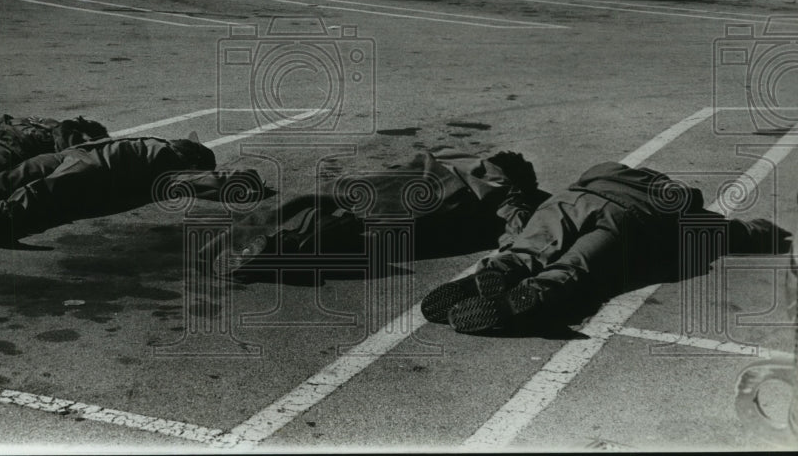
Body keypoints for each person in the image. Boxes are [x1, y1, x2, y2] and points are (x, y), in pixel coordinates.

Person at [421, 161, 792, 334]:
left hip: (575, 199)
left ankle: (505, 270)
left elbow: (528, 213)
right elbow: (737, 231)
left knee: (528, 248)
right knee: (576, 267)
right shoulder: (681, 207)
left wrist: (511, 238)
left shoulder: (605, 168)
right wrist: (766, 232)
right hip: (630, 221)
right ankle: (534, 294)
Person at [198, 149, 543, 275]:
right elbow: (516, 227)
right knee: (359, 241)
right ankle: (283, 249)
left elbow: (406, 160)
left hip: (385, 181)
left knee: (308, 200)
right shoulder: (505, 192)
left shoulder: (453, 154)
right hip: (416, 207)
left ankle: (225, 240)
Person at [0, 133, 219, 245]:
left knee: (39, 186)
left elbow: (197, 182)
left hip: (93, 165)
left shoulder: (168, 161)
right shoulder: (161, 150)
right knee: (24, 178)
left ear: (190, 157)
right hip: (80, 157)